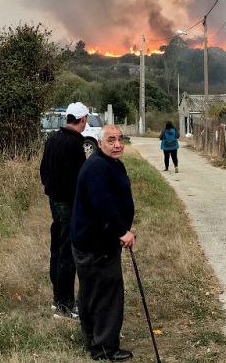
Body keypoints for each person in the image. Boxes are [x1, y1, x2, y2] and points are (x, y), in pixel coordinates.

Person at [71, 125, 136, 362]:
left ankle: (92, 338)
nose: (117, 144)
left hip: (91, 240)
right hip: (96, 242)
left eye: (120, 139)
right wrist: (122, 231)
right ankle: (104, 347)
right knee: (107, 293)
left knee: (92, 289)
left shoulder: (109, 163)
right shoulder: (98, 167)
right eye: (111, 140)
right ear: (100, 143)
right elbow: (104, 204)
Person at [39, 101, 89, 319]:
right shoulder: (74, 145)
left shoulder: (52, 139)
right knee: (67, 254)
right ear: (83, 119)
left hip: (53, 201)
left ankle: (56, 298)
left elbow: (43, 171)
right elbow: (76, 181)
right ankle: (65, 304)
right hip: (68, 204)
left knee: (57, 249)